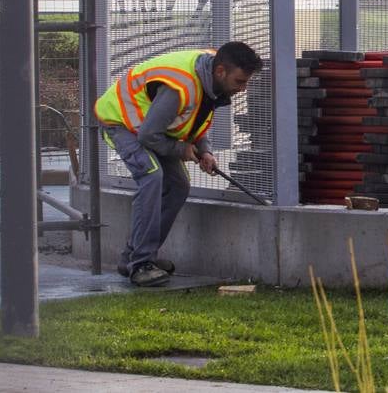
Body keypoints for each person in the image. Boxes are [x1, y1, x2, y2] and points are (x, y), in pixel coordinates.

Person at [94, 42, 263, 286]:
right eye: (240, 82)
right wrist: (182, 150)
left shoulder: (210, 74)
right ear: (221, 72)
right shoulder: (180, 86)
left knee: (179, 185)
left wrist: (204, 151)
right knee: (151, 176)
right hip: (122, 122)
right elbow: (148, 136)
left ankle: (135, 257)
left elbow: (194, 118)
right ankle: (141, 265)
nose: (243, 89)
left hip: (151, 128)